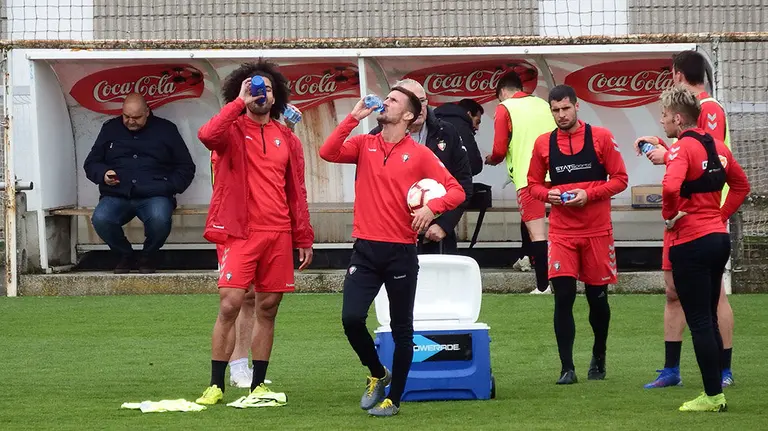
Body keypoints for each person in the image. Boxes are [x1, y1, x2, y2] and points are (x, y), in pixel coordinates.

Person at [320, 88, 465, 416]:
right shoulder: (364, 143)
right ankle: (376, 372)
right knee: (351, 318)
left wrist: (433, 209)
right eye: (386, 98)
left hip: (401, 251)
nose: (385, 102)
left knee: (403, 330)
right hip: (365, 249)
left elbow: (456, 191)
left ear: (409, 116)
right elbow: (328, 152)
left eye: (394, 101)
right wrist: (353, 119)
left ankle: (394, 399)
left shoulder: (420, 154)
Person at [195, 60, 314, 406]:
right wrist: (238, 103)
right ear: (242, 93)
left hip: (278, 232)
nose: (261, 94)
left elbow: (297, 190)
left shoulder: (287, 138)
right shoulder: (231, 131)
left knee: (269, 306)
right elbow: (207, 135)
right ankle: (216, 384)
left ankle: (257, 384)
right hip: (240, 233)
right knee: (231, 302)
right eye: (253, 88)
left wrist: (303, 236)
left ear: (277, 97)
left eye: (267, 89)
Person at [635, 50, 737, 389]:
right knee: (673, 291)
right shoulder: (690, 117)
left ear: (678, 74)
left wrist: (669, 155)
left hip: (699, 217)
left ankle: (722, 373)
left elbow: (711, 160)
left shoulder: (707, 108)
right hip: (684, 219)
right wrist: (667, 151)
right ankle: (672, 369)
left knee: (713, 299)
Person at [527, 85, 628, 385]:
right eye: (555, 110)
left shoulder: (601, 137)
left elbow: (621, 179)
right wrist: (549, 195)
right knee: (563, 298)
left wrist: (589, 194)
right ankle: (566, 367)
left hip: (597, 231)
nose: (561, 115)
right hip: (561, 233)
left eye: (565, 109)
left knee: (597, 300)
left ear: (576, 106)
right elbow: (532, 184)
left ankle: (599, 354)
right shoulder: (543, 143)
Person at [657, 85, 749, 411]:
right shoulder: (718, 146)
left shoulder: (682, 148)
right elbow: (742, 184)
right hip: (718, 239)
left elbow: (670, 186)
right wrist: (720, 215)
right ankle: (715, 390)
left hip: (691, 242)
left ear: (678, 119)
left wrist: (669, 215)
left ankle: (712, 396)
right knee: (707, 316)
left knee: (697, 320)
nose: (662, 120)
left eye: (665, 115)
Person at [215, 103, 303, 389]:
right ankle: (237, 366)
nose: (259, 96)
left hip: (272, 229)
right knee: (239, 297)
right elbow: (212, 140)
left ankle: (250, 371)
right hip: (237, 228)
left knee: (262, 300)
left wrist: (286, 130)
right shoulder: (230, 133)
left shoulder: (278, 133)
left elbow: (286, 177)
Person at [83, 93, 196, 274]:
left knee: (160, 219)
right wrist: (103, 174)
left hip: (155, 193)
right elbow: (91, 163)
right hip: (117, 193)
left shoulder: (166, 129)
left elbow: (186, 167)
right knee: (101, 219)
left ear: (147, 112)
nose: (130, 121)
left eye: (136, 117)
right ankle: (125, 255)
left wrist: (168, 187)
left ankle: (148, 256)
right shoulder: (110, 128)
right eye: (126, 116)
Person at [370, 79, 472, 254]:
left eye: (422, 101)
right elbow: (370, 188)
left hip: (435, 236)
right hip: (392, 236)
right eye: (413, 102)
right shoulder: (375, 138)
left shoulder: (447, 133)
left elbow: (463, 184)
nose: (420, 107)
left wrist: (444, 224)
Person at [485, 72, 557, 294]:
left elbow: (498, 149)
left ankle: (543, 286)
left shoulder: (505, 107)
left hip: (529, 178)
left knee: (537, 234)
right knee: (559, 231)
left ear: (503, 93)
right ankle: (564, 278)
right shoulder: (544, 104)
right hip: (557, 174)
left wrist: (491, 159)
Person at [434, 98, 485, 176]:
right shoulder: (462, 127)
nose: (477, 127)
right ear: (469, 114)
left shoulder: (433, 120)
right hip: (454, 182)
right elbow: (475, 164)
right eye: (477, 122)